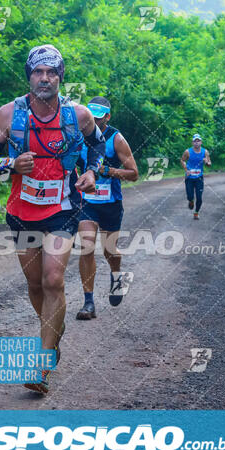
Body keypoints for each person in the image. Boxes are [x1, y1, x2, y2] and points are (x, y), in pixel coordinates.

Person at [0, 45, 105, 394]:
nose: (45, 78)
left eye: (52, 72)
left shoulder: (77, 115)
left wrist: (93, 172)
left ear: (61, 76)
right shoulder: (7, 115)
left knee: (53, 279)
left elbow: (97, 146)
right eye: (39, 72)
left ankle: (42, 361)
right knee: (35, 284)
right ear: (30, 77)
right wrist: (9, 165)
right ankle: (52, 331)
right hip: (22, 211)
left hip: (63, 208)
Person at [76, 97, 138, 319]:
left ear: (107, 117)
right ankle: (88, 303)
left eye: (99, 118)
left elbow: (134, 173)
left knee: (109, 250)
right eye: (91, 117)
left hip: (111, 203)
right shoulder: (79, 135)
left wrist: (109, 171)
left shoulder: (117, 139)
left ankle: (116, 274)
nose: (94, 121)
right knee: (86, 246)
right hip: (87, 202)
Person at [180, 134, 211, 220]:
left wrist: (207, 162)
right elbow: (182, 160)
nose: (196, 143)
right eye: (195, 141)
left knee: (199, 198)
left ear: (201, 142)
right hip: (189, 178)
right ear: (192, 142)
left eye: (198, 141)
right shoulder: (188, 152)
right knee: (190, 196)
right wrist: (186, 170)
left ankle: (196, 212)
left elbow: (209, 163)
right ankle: (191, 201)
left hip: (199, 178)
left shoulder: (205, 152)